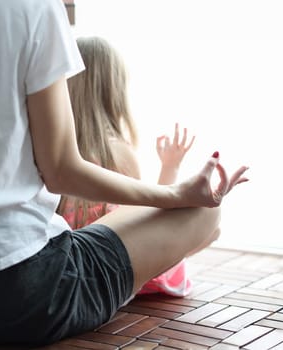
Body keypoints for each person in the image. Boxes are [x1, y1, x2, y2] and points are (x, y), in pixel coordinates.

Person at [0, 0, 249, 345]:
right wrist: (177, 194)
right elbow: (62, 170)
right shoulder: (32, 6)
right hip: (17, 294)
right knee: (204, 213)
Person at [58, 36, 195, 297]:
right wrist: (170, 168)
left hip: (70, 263)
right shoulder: (119, 152)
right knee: (208, 228)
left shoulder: (54, 151)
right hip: (114, 266)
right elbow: (146, 213)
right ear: (114, 90)